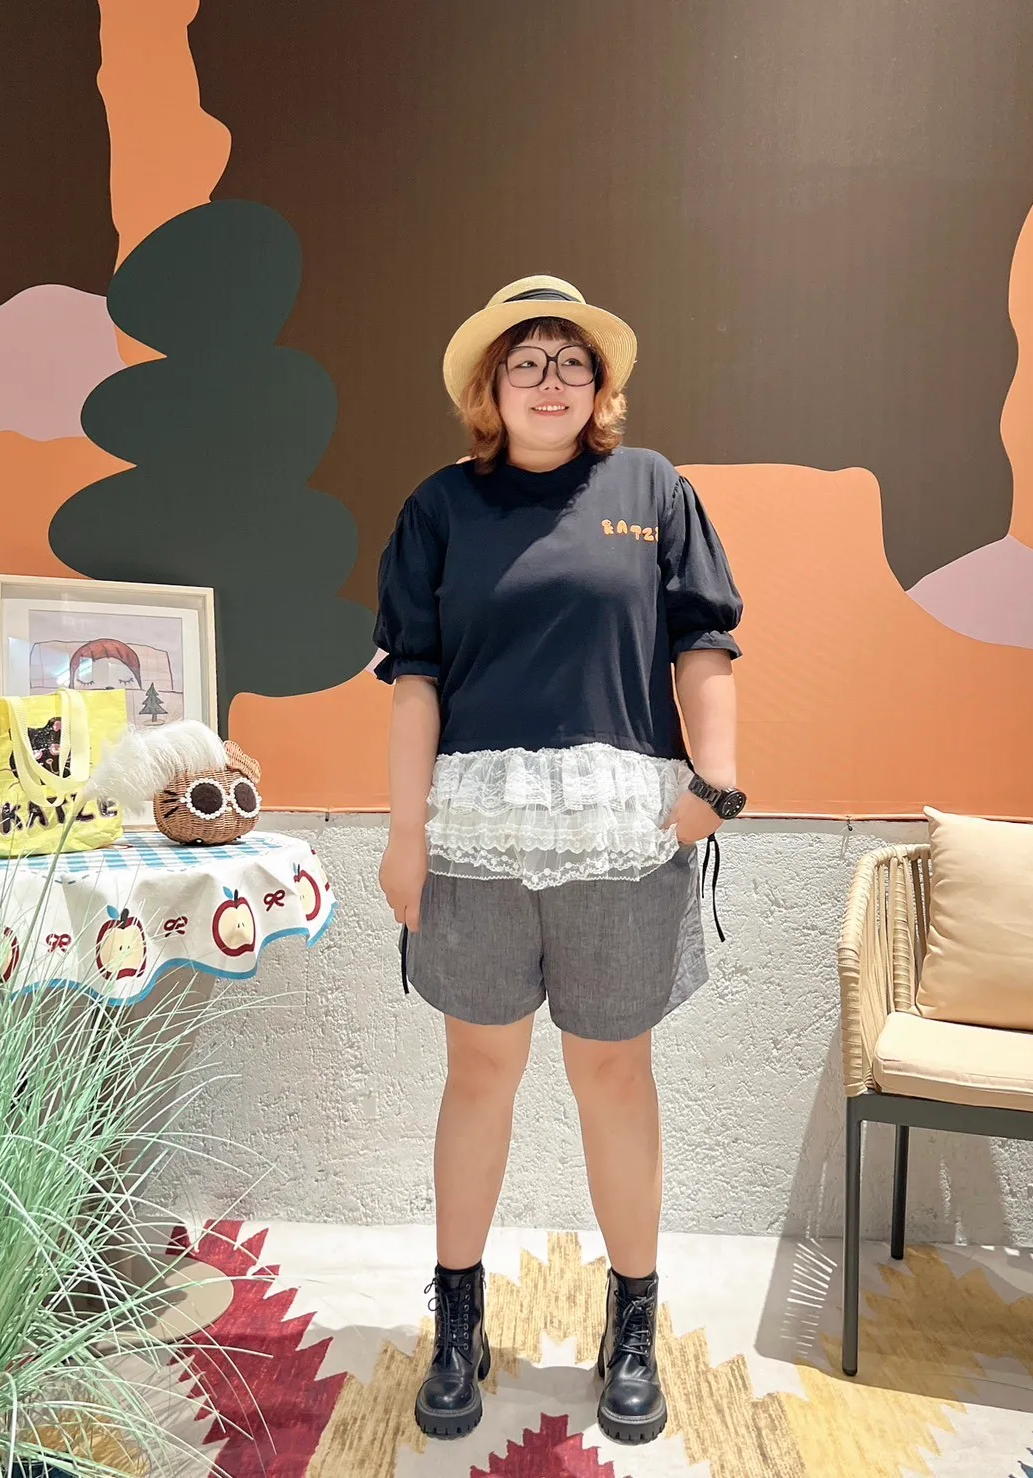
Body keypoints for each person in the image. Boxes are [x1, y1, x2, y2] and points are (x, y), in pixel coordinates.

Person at [373, 275, 744, 1445]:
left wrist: (713, 785)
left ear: (600, 387)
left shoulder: (653, 489)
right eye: (525, 360)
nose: (549, 378)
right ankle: (458, 1324)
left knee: (613, 1077)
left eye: (570, 360)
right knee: (478, 1075)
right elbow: (414, 680)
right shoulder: (439, 508)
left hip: (624, 837)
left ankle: (630, 1327)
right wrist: (403, 834)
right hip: (475, 838)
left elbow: (703, 642)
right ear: (489, 387)